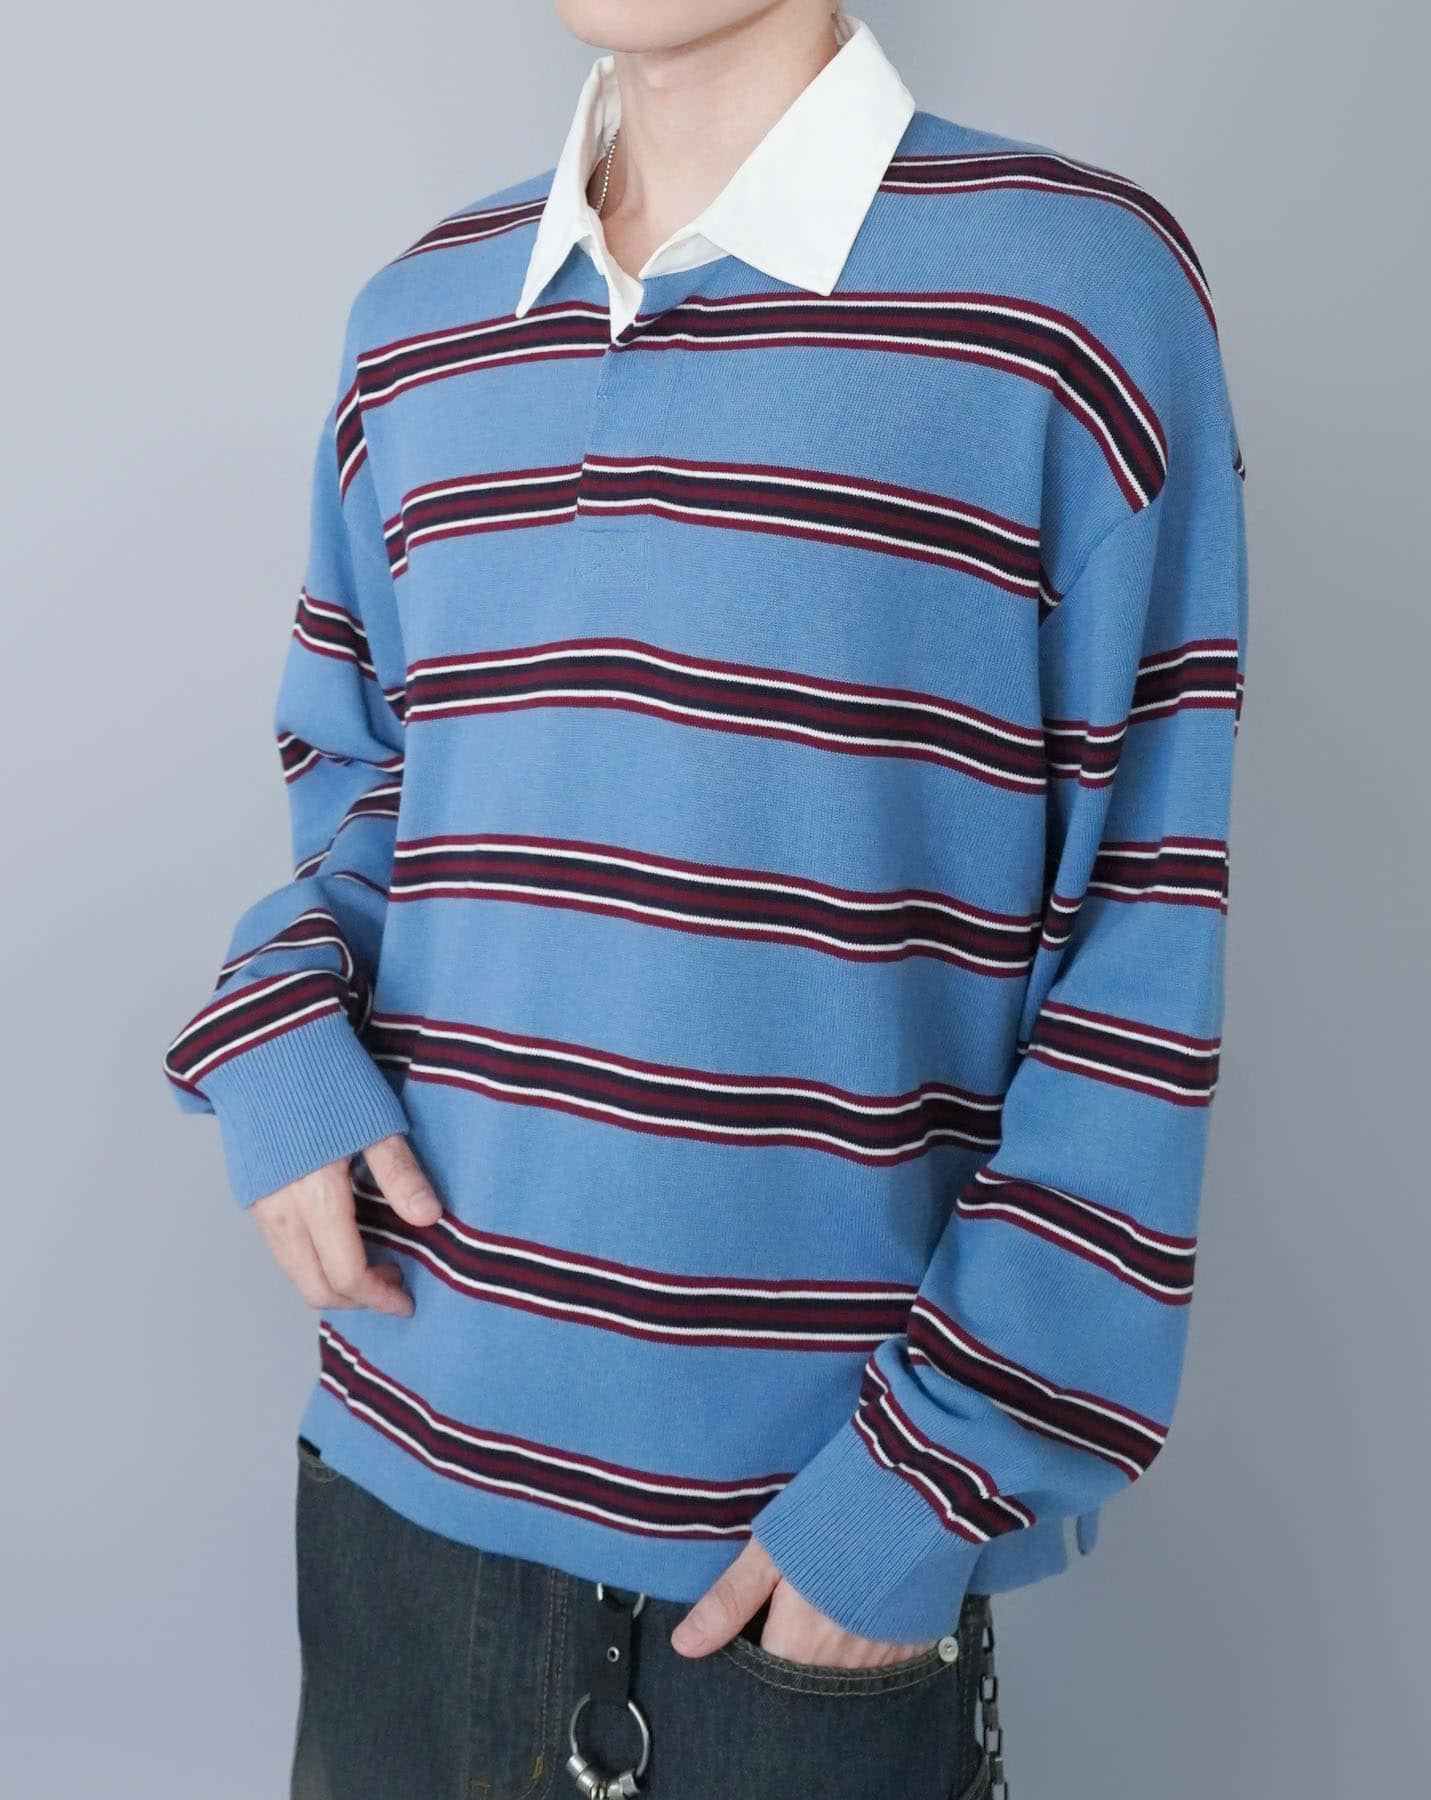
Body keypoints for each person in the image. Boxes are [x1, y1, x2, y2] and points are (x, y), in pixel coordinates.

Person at [162, 3, 1248, 1795]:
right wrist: (277, 1026)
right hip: (392, 1499)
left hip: (795, 1571)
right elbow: (370, 797)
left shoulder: (1068, 301)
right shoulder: (419, 325)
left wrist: (931, 1486)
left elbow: (1139, 934)